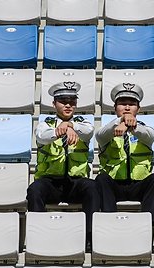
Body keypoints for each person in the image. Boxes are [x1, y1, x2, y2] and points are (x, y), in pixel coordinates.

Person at [26, 82, 100, 244]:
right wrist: (62, 128)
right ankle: (37, 237)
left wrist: (70, 125)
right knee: (34, 190)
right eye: (63, 101)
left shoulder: (84, 123)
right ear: (54, 104)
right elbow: (41, 136)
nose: (68, 105)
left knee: (93, 187)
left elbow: (88, 132)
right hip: (50, 181)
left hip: (75, 182)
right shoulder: (44, 124)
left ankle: (90, 237)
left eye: (72, 101)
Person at [95, 83, 154, 225]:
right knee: (101, 179)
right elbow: (100, 136)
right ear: (115, 108)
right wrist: (121, 121)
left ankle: (147, 226)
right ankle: (110, 224)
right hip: (114, 184)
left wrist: (132, 126)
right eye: (122, 104)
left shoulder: (145, 129)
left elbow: (150, 136)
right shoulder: (108, 129)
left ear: (139, 108)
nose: (127, 107)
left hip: (139, 185)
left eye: (132, 104)